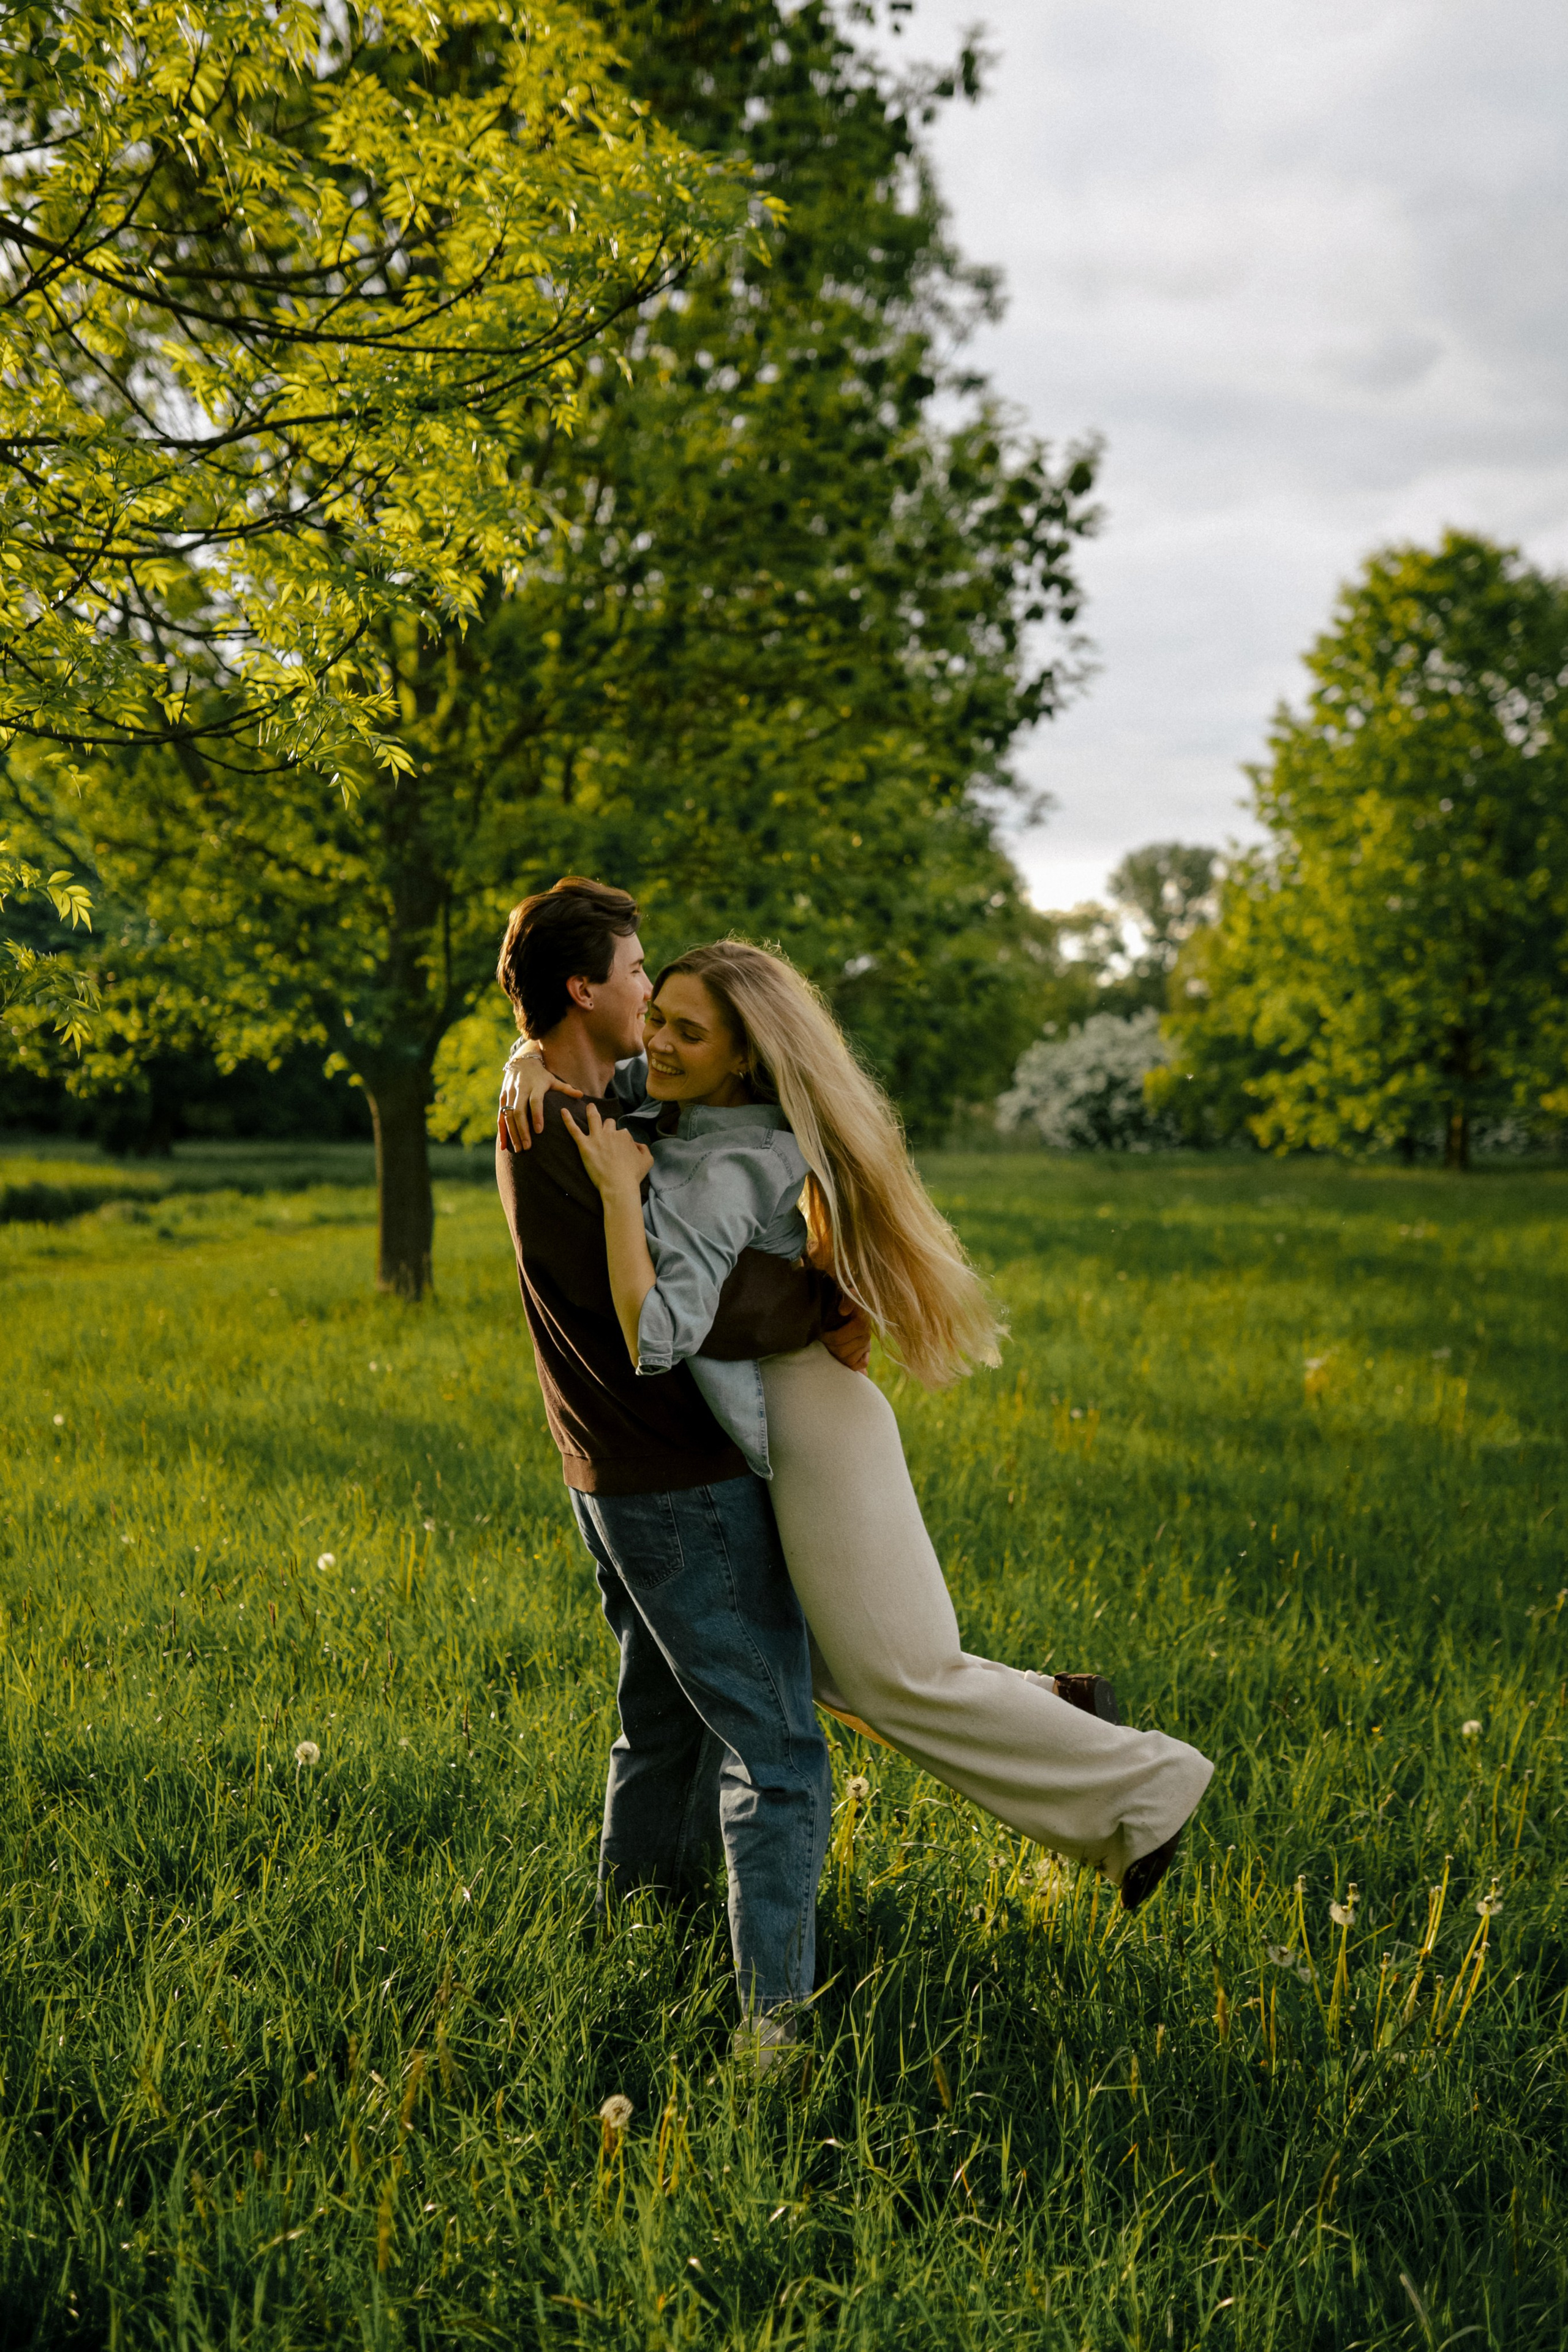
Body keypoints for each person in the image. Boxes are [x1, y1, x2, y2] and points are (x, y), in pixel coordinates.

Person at [502, 937, 1212, 1912]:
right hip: (771, 1422)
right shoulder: (675, 1099)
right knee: (812, 1665)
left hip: (816, 1421)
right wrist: (522, 1057)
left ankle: (1149, 1786)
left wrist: (626, 1189)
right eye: (655, 1013)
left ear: (744, 1056)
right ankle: (1062, 1710)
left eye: (685, 1029)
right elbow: (582, 1066)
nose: (656, 1040)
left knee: (895, 1678)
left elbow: (668, 1323)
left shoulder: (741, 1153)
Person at [492, 881, 873, 2059]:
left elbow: (617, 1098)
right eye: (639, 972)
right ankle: (775, 2027)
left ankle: (633, 1944)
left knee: (664, 1725)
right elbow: (683, 1316)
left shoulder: (554, 1098)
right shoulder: (584, 1134)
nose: (651, 993)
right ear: (584, 988)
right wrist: (827, 1293)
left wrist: (518, 1053)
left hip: (605, 1476)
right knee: (780, 1748)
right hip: (677, 1480)